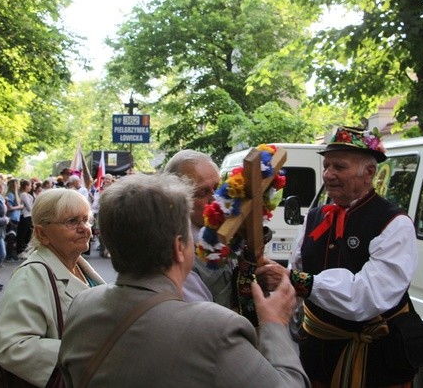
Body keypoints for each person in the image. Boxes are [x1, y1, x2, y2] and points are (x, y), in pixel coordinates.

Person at [57, 173, 309, 388]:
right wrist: (275, 324)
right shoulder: (215, 328)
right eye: (190, 234)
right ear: (180, 247)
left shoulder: (81, 305)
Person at [256, 126, 420, 388]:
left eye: (339, 167)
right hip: (316, 353)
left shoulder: (394, 223)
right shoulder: (315, 216)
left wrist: (295, 280)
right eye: (326, 165)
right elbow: (298, 275)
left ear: (369, 172)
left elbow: (366, 297)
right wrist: (273, 280)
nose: (328, 174)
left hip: (375, 362)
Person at [0, 188, 104, 387]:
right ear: (42, 233)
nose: (85, 228)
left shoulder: (76, 264)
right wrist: (87, 354)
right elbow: (11, 347)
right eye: (72, 221)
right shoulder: (32, 274)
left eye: (87, 220)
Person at [164, 150, 230, 306]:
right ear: (178, 199)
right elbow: (207, 322)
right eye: (203, 192)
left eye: (218, 187)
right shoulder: (180, 255)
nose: (216, 198)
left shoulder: (224, 230)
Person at [4, 178, 23, 262]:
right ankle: (9, 255)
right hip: (12, 218)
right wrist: (20, 206)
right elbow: (9, 207)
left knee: (13, 236)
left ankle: (10, 254)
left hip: (16, 218)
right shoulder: (11, 195)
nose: (19, 186)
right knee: (11, 237)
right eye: (18, 184)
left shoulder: (16, 195)